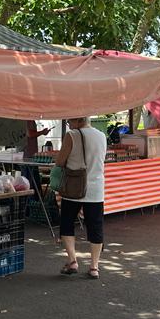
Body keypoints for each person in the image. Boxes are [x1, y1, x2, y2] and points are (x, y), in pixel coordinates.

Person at [55, 116, 107, 279]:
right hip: (96, 189)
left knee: (67, 222)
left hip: (74, 188)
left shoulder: (72, 135)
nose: (69, 125)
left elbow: (60, 161)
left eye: (70, 121)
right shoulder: (101, 135)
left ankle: (72, 261)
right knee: (95, 226)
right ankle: (94, 266)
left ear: (78, 120)